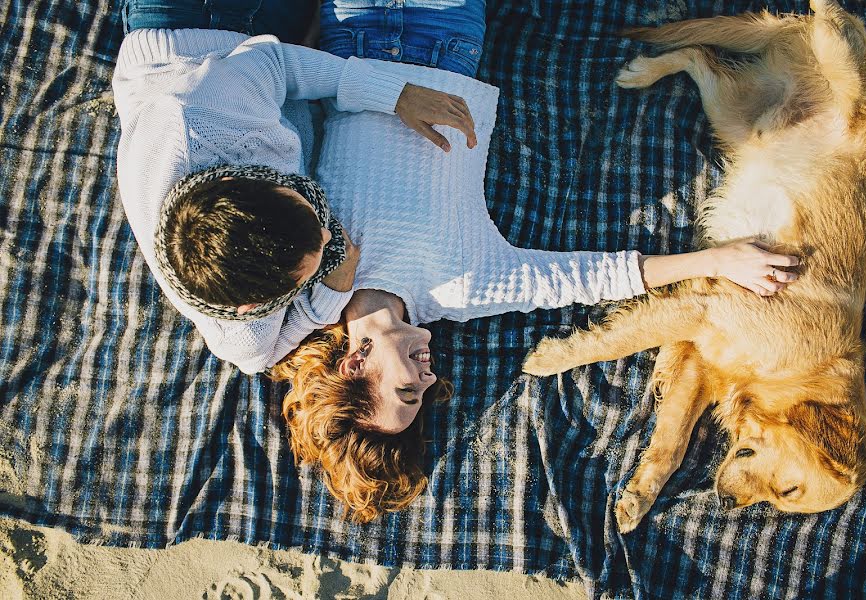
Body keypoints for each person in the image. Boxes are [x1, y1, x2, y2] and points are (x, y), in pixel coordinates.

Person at [270, 0, 801, 523]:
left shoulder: (302, 285)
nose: (428, 379)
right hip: (444, 33)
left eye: (407, 389)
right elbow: (588, 279)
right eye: (423, 396)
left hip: (349, 38)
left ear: (354, 365)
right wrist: (717, 260)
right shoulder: (461, 291)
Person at [112, 0, 478, 374]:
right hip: (252, 59)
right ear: (254, 307)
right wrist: (329, 294)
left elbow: (278, 64)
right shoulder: (240, 323)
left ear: (241, 180)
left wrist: (396, 95)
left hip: (188, 25)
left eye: (302, 204)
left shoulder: (206, 111)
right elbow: (255, 359)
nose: (328, 233)